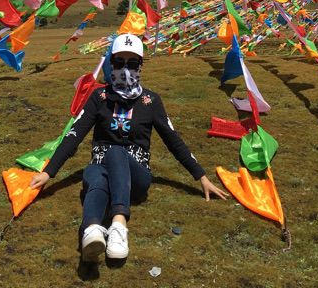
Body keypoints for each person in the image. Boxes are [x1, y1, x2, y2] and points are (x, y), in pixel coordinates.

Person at [29, 32, 228, 263]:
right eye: (119, 62)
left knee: (115, 151)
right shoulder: (99, 97)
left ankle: (119, 224)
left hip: (136, 178)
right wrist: (48, 172)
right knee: (95, 175)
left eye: (132, 63)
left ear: (140, 66)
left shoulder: (151, 101)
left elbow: (173, 140)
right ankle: (92, 231)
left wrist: (201, 176)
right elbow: (74, 135)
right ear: (111, 63)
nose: (125, 69)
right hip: (101, 167)